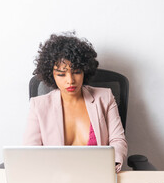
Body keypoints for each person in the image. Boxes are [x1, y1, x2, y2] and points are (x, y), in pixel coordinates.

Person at [23, 32, 127, 172]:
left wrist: (112, 166)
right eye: (61, 74)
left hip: (97, 174)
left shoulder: (105, 97)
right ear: (51, 75)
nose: (70, 80)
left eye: (76, 72)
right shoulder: (38, 106)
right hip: (55, 178)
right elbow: (31, 153)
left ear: (85, 71)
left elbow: (118, 140)